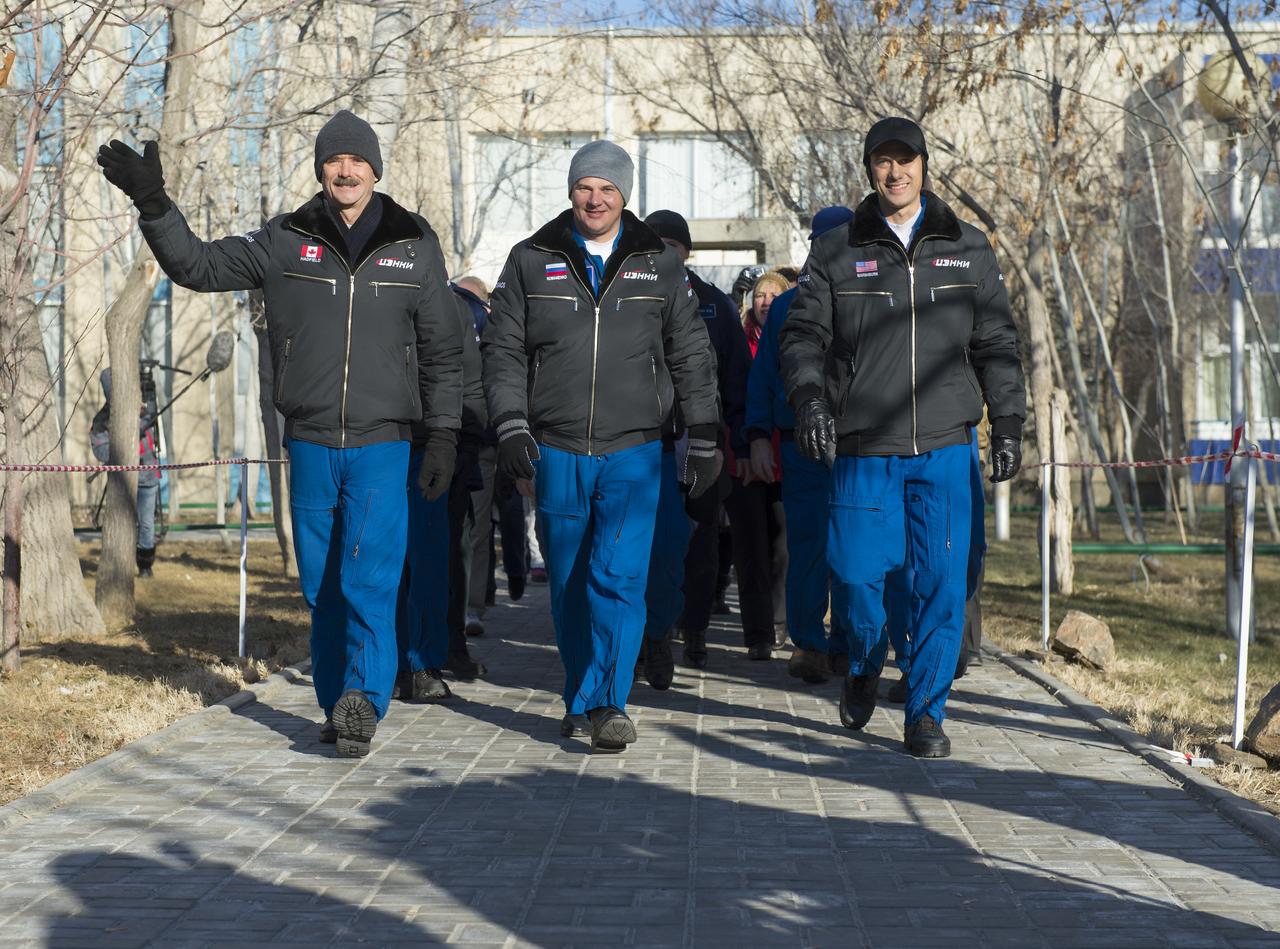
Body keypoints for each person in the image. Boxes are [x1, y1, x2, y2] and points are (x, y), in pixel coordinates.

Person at [97, 110, 463, 758]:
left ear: (376, 169)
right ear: (321, 169)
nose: (345, 170)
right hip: (313, 441)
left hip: (384, 442)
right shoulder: (286, 240)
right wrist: (153, 203)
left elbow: (442, 349)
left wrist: (443, 435)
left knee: (371, 578)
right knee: (322, 585)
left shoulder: (414, 244)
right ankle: (337, 702)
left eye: (356, 160)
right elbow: (198, 265)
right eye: (333, 160)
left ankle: (365, 700)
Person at [779, 116, 1024, 758]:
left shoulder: (968, 247)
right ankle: (862, 658)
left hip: (945, 444)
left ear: (924, 164)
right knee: (857, 578)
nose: (896, 172)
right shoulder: (836, 250)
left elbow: (996, 344)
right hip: (864, 446)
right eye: (883, 162)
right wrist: (809, 400)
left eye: (906, 160)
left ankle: (926, 712)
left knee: (939, 582)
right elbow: (803, 336)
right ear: (869, 170)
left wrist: (1009, 423)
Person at [482, 140, 719, 752]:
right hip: (558, 450)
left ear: (624, 196)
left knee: (618, 578)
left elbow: (691, 353)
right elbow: (504, 349)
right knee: (568, 580)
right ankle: (581, 692)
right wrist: (510, 424)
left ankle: (609, 702)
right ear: (571, 191)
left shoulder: (656, 264)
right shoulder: (532, 259)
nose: (595, 198)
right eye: (586, 186)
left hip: (634, 451)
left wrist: (706, 433)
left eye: (608, 189)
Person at [639, 209, 751, 681]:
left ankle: (696, 629)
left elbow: (735, 378)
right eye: (657, 240)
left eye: (674, 242)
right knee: (651, 546)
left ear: (688, 250)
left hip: (703, 438)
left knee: (701, 541)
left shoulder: (714, 304)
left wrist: (738, 440)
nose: (666, 249)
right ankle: (651, 635)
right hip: (647, 441)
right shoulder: (632, 291)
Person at [744, 208, 854, 681]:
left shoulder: (868, 294)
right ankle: (810, 643)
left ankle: (850, 643)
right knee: (810, 544)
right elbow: (765, 374)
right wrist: (756, 436)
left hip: (859, 444)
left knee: (854, 544)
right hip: (802, 443)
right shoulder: (789, 307)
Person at [396, 287, 490, 702]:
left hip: (435, 450)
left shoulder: (454, 307)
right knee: (381, 564)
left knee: (434, 563)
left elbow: (469, 383)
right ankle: (385, 661)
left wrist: (464, 447)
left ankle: (426, 661)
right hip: (375, 443)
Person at [725, 271, 791, 660]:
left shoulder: (794, 333)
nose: (766, 301)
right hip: (744, 460)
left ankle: (782, 621)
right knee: (750, 550)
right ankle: (758, 633)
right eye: (760, 294)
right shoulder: (739, 339)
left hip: (787, 459)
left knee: (784, 550)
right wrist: (745, 449)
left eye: (773, 294)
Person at [89, 367, 160, 577]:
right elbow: (101, 451)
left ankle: (145, 565)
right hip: (121, 482)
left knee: (146, 525)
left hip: (147, 477)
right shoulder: (101, 421)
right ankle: (119, 567)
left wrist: (149, 386)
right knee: (123, 525)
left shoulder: (144, 409)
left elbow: (152, 411)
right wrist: (122, 440)